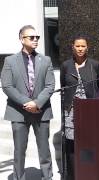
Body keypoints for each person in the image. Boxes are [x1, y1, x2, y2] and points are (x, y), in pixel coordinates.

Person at [1, 25, 55, 180]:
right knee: (19, 151)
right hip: (18, 112)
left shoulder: (46, 60)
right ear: (21, 39)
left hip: (41, 111)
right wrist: (27, 103)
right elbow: (7, 86)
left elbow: (50, 85)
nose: (35, 40)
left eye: (37, 37)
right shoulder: (10, 61)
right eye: (31, 37)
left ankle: (47, 177)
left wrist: (37, 103)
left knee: (44, 150)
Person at [60, 34, 99, 180]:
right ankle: (73, 175)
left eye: (83, 46)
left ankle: (90, 173)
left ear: (87, 47)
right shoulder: (66, 65)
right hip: (71, 110)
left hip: (90, 110)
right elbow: (63, 87)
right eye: (77, 46)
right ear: (72, 47)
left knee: (90, 142)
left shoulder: (94, 65)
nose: (80, 49)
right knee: (72, 145)